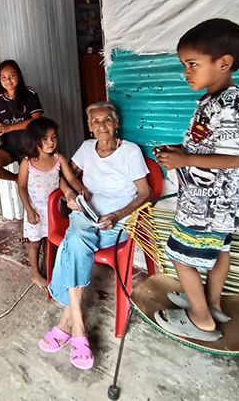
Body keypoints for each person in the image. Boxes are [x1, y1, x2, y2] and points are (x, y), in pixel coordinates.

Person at [153, 19, 239, 342]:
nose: (186, 72)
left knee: (180, 255)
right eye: (184, 65)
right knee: (220, 251)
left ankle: (200, 318)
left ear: (224, 63)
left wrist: (187, 159)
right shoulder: (214, 100)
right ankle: (211, 302)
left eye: (192, 64)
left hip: (207, 206)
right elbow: (212, 147)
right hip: (219, 204)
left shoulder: (229, 104)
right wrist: (179, 151)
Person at [40, 102, 151, 370]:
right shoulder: (87, 149)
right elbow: (63, 175)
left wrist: (117, 215)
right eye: (96, 122)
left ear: (116, 124)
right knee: (78, 238)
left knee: (73, 243)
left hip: (115, 220)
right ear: (89, 127)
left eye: (107, 121)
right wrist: (68, 194)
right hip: (85, 212)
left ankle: (67, 320)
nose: (101, 126)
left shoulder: (131, 152)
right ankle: (79, 328)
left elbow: (145, 192)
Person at [18, 117, 85, 290]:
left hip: (53, 211)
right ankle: (35, 272)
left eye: (54, 137)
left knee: (51, 240)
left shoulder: (58, 158)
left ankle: (50, 267)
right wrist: (29, 210)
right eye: (45, 139)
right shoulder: (27, 162)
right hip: (35, 211)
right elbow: (22, 187)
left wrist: (82, 190)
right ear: (34, 140)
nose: (51, 142)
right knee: (35, 242)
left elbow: (70, 178)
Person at [0, 60, 43, 181]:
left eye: (12, 76)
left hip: (30, 145)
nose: (8, 81)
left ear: (19, 76)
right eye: (3, 78)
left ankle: (24, 182)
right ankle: (17, 178)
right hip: (9, 146)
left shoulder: (29, 93)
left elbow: (36, 119)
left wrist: (9, 128)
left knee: (32, 181)